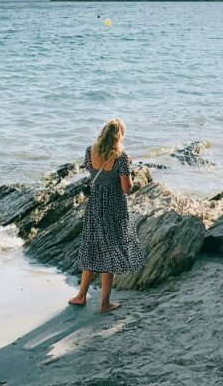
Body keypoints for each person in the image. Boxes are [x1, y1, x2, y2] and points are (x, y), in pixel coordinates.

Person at [68, 118, 146, 313]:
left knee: (92, 249)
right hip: (114, 209)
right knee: (109, 254)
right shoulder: (121, 157)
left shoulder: (90, 152)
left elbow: (93, 174)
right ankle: (104, 304)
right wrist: (130, 170)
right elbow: (127, 189)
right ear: (120, 136)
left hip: (95, 206)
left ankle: (80, 296)